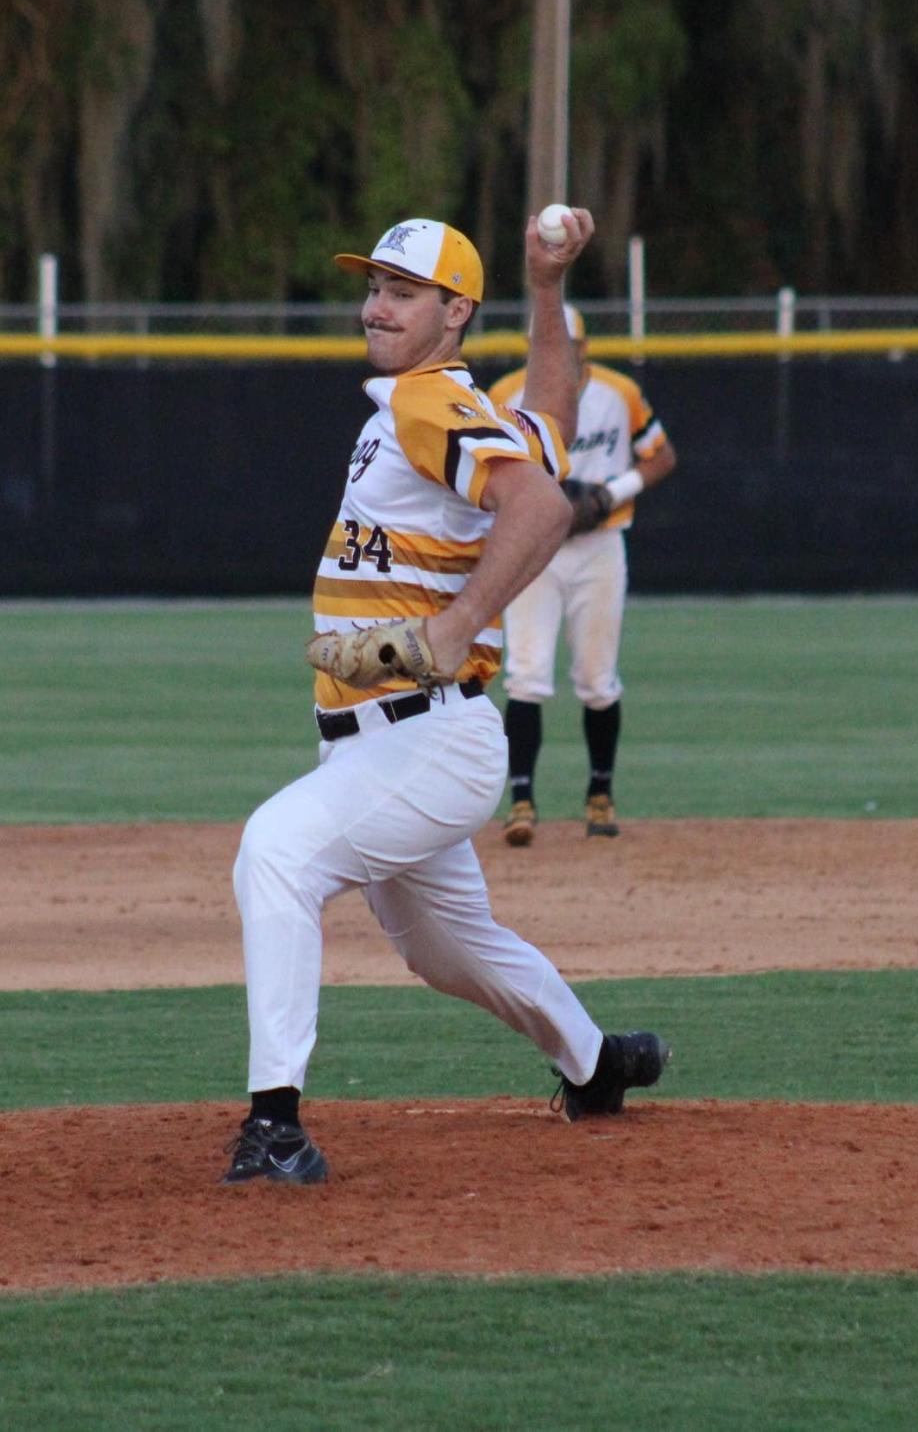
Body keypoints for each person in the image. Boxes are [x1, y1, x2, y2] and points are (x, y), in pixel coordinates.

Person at [224, 212, 670, 1184]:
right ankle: (597, 1065)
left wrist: (464, 619)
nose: (375, 305)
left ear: (455, 310)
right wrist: (546, 289)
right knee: (448, 949)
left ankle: (274, 1126)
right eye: (373, 287)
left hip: (429, 738)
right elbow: (551, 411)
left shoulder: (431, 404)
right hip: (382, 744)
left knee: (278, 852)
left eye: (402, 290)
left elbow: (544, 507)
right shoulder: (460, 410)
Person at [489, 307, 677, 846]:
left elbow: (661, 457)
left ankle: (600, 793)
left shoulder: (618, 392)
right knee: (526, 673)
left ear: (584, 349)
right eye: (544, 343)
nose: (555, 353)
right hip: (532, 548)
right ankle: (521, 799)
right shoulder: (506, 394)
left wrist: (609, 494)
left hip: (599, 547)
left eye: (565, 344)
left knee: (597, 678)